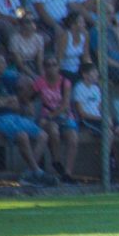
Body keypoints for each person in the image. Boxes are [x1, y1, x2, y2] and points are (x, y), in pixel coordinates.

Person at [0, 52, 53, 186]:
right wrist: (7, 100)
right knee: (22, 135)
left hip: (13, 116)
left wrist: (7, 102)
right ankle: (37, 172)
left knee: (43, 135)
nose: (4, 65)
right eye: (1, 62)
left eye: (4, 62)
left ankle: (29, 173)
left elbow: (16, 105)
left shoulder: (4, 81)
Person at [73, 62, 119, 181]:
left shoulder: (96, 88)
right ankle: (107, 169)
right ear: (85, 75)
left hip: (100, 119)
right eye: (94, 72)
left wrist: (107, 117)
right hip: (88, 120)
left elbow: (101, 108)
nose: (97, 75)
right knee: (109, 133)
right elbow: (81, 113)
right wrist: (102, 119)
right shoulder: (79, 88)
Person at [34, 56, 79, 184]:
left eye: (54, 65)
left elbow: (65, 104)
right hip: (47, 117)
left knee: (73, 138)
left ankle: (67, 173)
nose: (51, 68)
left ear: (58, 67)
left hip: (64, 116)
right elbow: (28, 97)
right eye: (48, 65)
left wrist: (50, 116)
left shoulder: (65, 82)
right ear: (44, 67)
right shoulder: (40, 82)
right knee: (53, 130)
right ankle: (56, 160)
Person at [56, 12, 90, 83]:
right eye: (81, 22)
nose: (84, 25)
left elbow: (86, 57)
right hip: (64, 70)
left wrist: (90, 70)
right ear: (73, 25)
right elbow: (59, 58)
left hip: (78, 69)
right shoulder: (65, 36)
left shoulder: (85, 35)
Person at [9, 15, 44, 80]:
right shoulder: (15, 39)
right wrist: (34, 76)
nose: (31, 24)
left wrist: (42, 76)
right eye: (28, 22)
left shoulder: (39, 38)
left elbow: (39, 61)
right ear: (22, 25)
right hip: (19, 67)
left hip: (33, 64)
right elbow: (19, 62)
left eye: (33, 21)